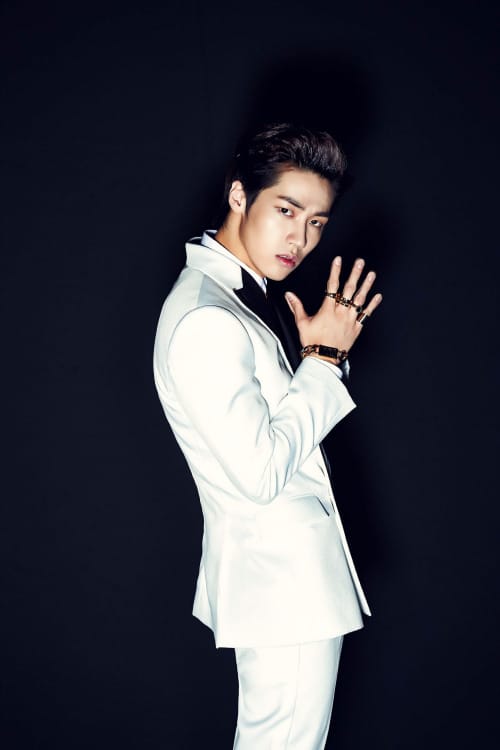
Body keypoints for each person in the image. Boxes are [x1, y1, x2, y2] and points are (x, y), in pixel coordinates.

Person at [153, 122, 382, 749]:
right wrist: (323, 363)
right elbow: (260, 475)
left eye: (317, 221)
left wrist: (319, 362)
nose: (300, 238)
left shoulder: (231, 300)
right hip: (283, 588)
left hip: (284, 588)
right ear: (238, 195)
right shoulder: (206, 316)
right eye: (286, 210)